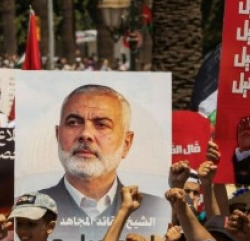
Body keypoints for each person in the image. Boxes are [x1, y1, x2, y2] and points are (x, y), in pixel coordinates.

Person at [38, 84, 166, 223]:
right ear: (58, 136)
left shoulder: (157, 211)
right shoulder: (29, 208)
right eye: (73, 123)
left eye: (102, 125)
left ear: (126, 143)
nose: (85, 134)